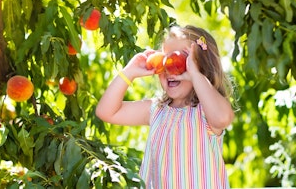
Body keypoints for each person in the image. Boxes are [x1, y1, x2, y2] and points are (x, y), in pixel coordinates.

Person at [96, 25, 235, 188]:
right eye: (165, 60)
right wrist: (129, 72)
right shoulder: (156, 110)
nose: (170, 67)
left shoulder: (205, 112)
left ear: (201, 68)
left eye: (181, 59)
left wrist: (195, 75)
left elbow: (222, 118)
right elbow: (106, 112)